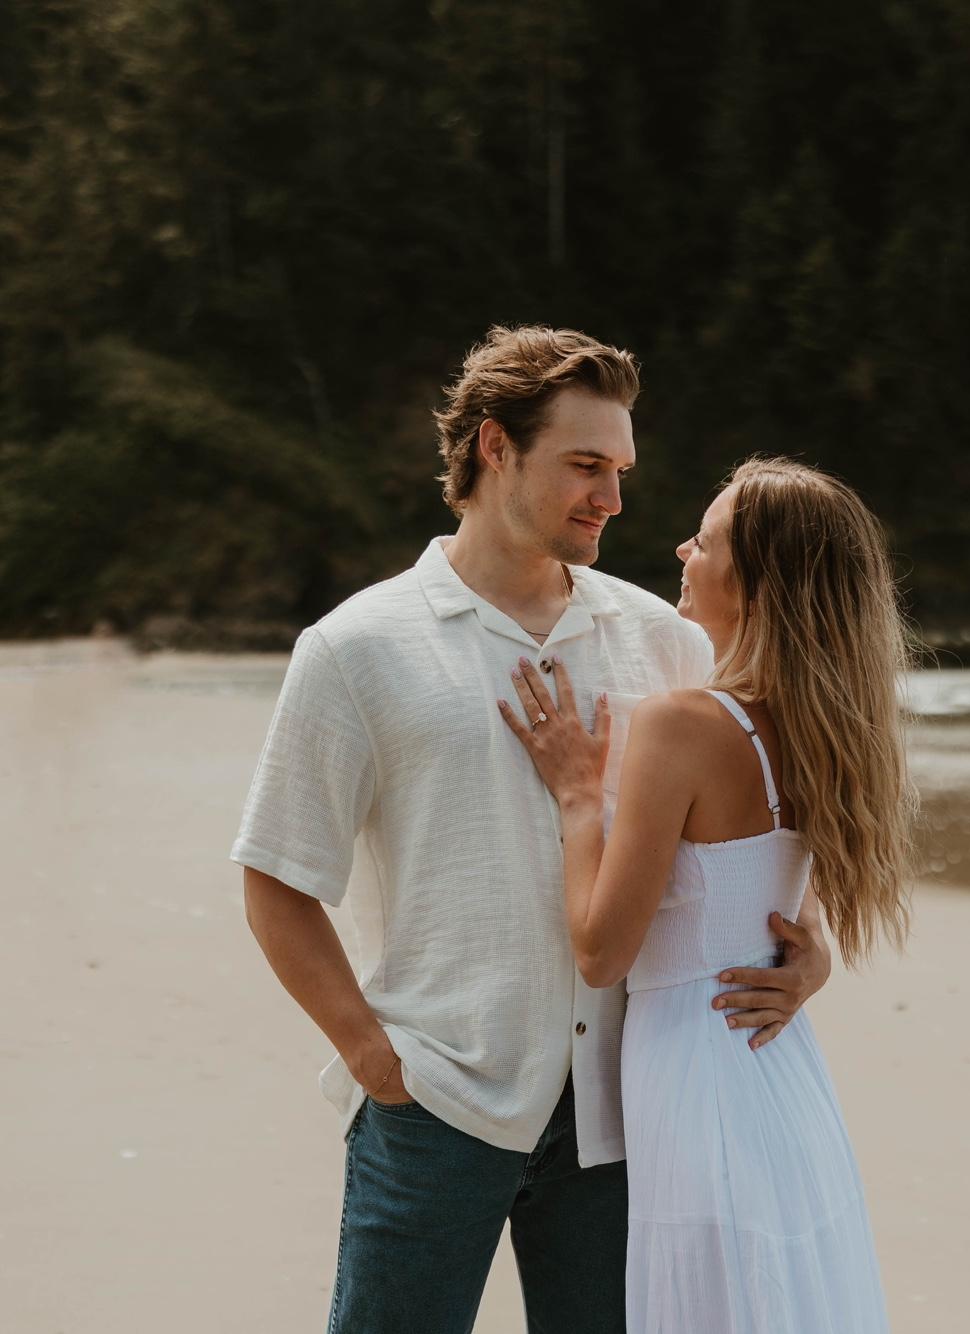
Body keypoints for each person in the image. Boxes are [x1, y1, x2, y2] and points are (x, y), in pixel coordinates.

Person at [230, 326, 833, 1334]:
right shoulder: (355, 648)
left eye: (621, 470)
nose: (612, 498)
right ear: (495, 448)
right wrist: (373, 1058)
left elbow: (746, 820)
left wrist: (808, 949)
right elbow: (277, 878)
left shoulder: (665, 638)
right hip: (436, 1104)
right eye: (586, 465)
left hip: (624, 1114)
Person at [499, 455, 915, 1333]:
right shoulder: (824, 729)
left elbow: (601, 951)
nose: (684, 550)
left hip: (696, 1072)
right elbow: (771, 895)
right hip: (780, 1068)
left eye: (709, 539)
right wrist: (813, 957)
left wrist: (578, 796)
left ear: (759, 582)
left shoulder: (682, 723)